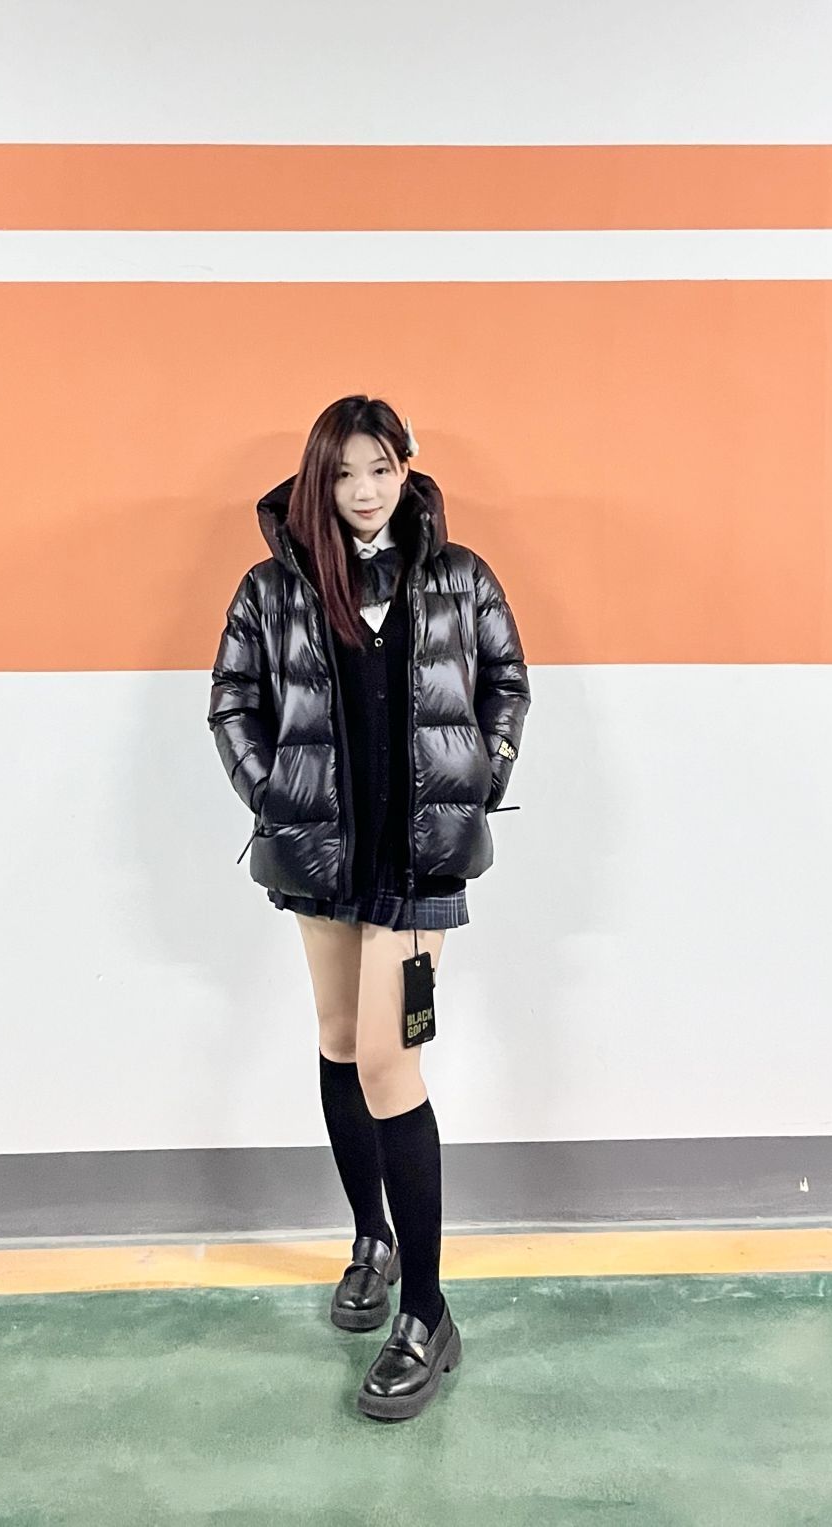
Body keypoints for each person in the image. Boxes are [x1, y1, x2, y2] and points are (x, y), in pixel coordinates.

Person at [208, 395, 530, 1420]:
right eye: (344, 472)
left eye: (380, 469)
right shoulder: (272, 588)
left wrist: (481, 775)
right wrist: (275, 794)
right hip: (323, 852)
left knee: (393, 1064)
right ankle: (370, 1237)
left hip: (417, 861)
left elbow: (506, 680)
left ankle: (427, 1314)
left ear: (406, 469)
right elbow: (231, 702)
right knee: (343, 1040)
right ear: (318, 478)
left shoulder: (458, 575)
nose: (362, 490)